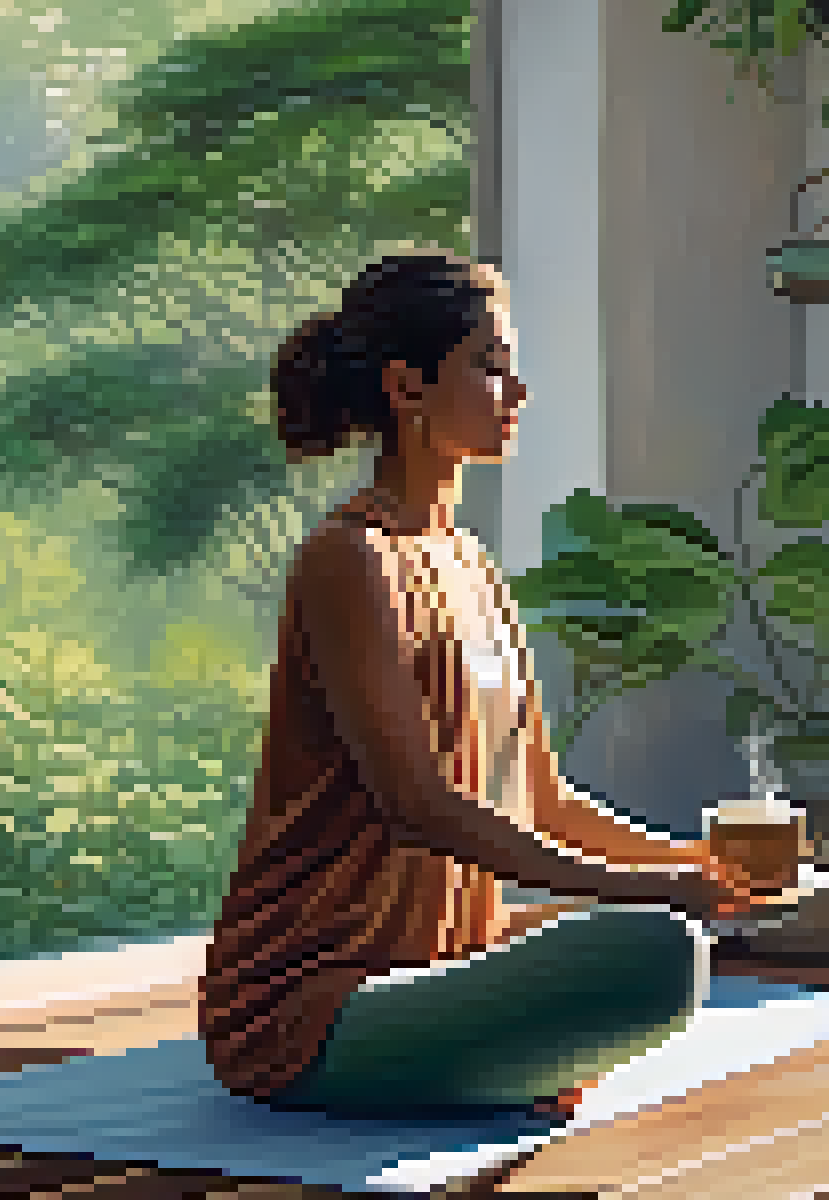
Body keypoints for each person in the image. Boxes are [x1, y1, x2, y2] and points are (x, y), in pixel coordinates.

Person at [200, 250, 770, 1121]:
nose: (518, 392)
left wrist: (693, 861)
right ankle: (500, 1060)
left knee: (657, 939)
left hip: (446, 963)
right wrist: (656, 891)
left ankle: (495, 1059)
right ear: (409, 387)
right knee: (653, 951)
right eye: (491, 365)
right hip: (313, 1004)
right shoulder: (349, 560)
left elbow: (543, 800)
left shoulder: (474, 569)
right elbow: (417, 807)